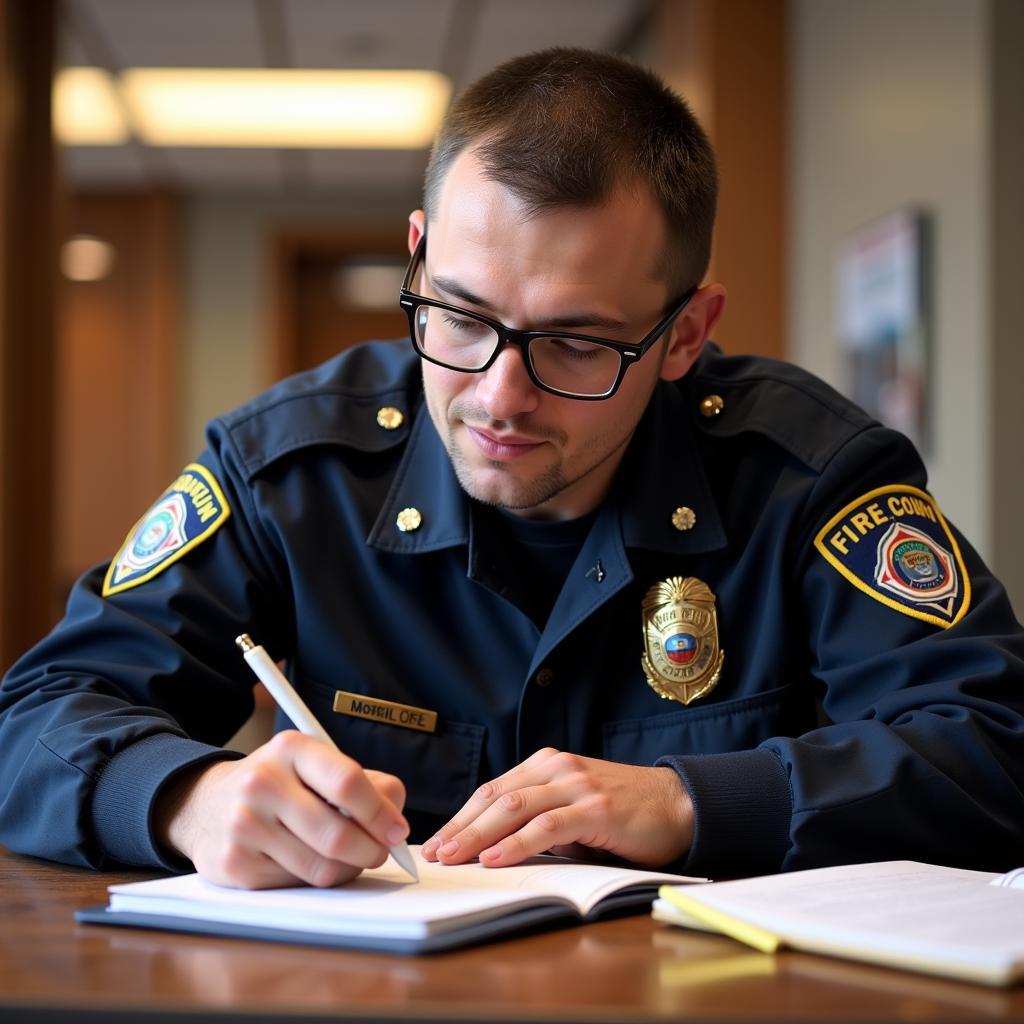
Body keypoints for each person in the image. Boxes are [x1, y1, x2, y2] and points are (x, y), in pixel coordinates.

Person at [1, 48, 1022, 890]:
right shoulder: (289, 475)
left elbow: (994, 742)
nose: (497, 395)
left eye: (576, 343)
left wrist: (692, 801)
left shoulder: (809, 481)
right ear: (419, 253)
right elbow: (37, 715)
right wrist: (183, 797)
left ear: (684, 336)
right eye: (458, 314)